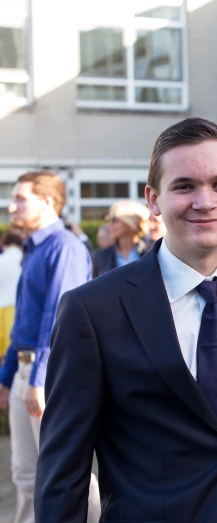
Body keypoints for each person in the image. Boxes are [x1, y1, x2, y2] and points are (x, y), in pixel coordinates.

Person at [35, 118, 217, 523]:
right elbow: (63, 472)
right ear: (153, 199)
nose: (205, 201)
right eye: (185, 186)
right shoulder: (93, 310)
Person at [0, 171, 100, 523]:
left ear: (46, 201)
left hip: (48, 374)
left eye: (21, 197)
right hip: (27, 371)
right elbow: (26, 320)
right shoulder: (34, 247)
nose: (12, 205)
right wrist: (9, 374)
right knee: (26, 474)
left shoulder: (65, 247)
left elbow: (58, 320)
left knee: (66, 472)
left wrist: (38, 379)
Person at [92, 200, 150, 277]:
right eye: (109, 220)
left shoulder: (151, 253)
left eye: (114, 220)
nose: (110, 224)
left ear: (131, 222)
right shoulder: (101, 256)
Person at [0, 227, 25, 359]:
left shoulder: (1, 259)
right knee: (12, 355)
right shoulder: (24, 260)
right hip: (16, 310)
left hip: (1, 309)